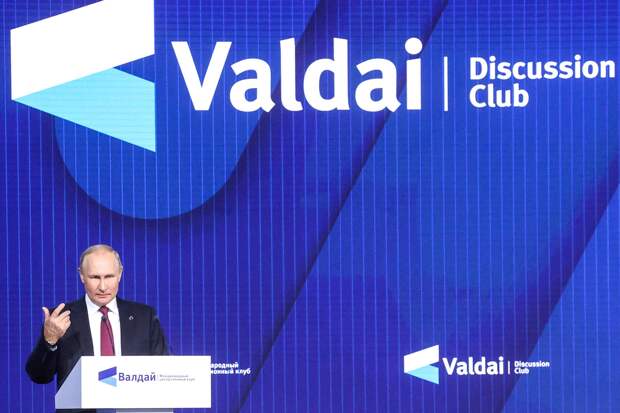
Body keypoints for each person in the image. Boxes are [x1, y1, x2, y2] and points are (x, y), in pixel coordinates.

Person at [26, 244, 169, 409]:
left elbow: (164, 372)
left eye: (109, 276)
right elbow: (39, 376)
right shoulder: (60, 319)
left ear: (120, 274)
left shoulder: (145, 317)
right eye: (95, 277)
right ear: (82, 276)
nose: (102, 286)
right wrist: (49, 340)